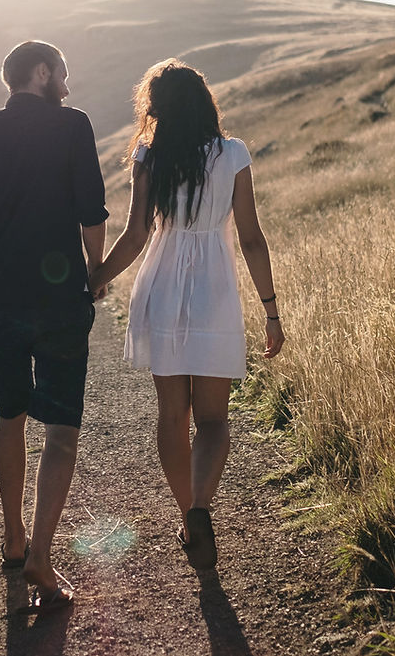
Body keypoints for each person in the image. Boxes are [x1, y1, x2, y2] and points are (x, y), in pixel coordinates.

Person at [89, 59, 282, 570]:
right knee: (215, 421)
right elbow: (252, 238)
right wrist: (271, 311)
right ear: (204, 102)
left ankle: (188, 517)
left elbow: (134, 237)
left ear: (159, 108)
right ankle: (199, 508)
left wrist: (96, 278)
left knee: (172, 416)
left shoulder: (150, 154)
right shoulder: (234, 153)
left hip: (162, 284)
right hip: (214, 290)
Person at [0, 40, 109, 610]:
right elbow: (92, 212)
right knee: (61, 430)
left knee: (9, 415)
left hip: (3, 301)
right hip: (62, 297)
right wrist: (95, 272)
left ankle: (13, 538)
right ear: (42, 73)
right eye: (62, 70)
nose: (67, 80)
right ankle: (41, 552)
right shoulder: (74, 127)